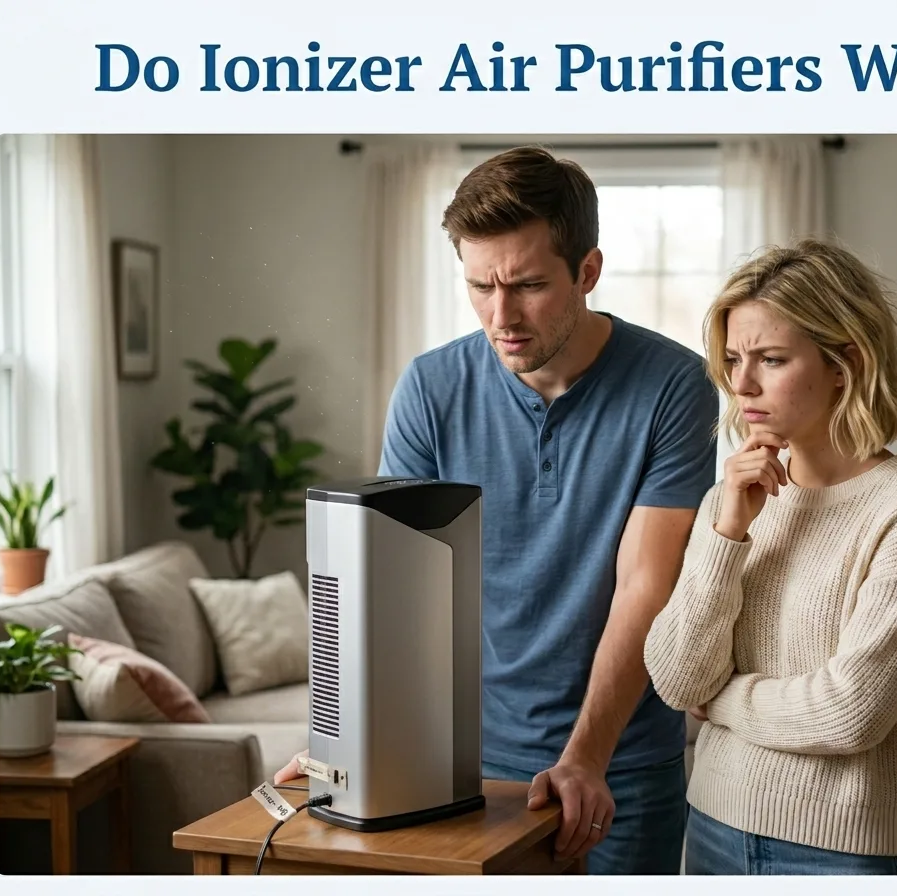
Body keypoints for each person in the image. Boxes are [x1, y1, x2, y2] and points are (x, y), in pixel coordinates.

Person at [275, 146, 718, 874]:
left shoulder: (673, 385)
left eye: (528, 285)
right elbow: (394, 587)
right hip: (459, 764)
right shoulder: (431, 388)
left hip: (620, 764)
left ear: (587, 272)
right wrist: (347, 742)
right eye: (479, 286)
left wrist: (585, 759)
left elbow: (647, 583)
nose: (501, 316)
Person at [643, 238, 897, 875]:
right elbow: (677, 680)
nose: (742, 384)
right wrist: (728, 534)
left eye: (771, 359)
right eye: (734, 360)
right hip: (712, 827)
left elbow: (850, 712)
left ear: (845, 362)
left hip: (844, 853)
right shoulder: (729, 500)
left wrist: (721, 702)